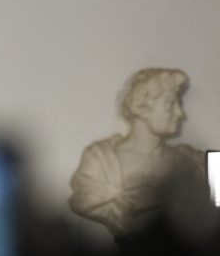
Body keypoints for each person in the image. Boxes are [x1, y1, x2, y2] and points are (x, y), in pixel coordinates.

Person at [68, 67, 205, 239]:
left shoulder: (191, 161)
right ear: (143, 107)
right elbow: (84, 201)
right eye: (170, 103)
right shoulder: (100, 160)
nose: (180, 113)